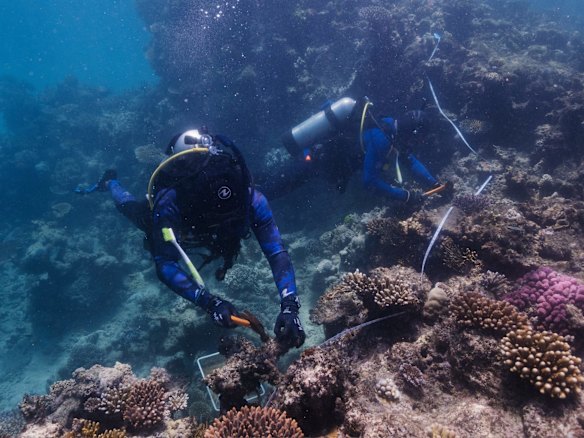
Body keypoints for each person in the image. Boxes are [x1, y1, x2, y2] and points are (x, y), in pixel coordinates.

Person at [77, 129, 305, 349]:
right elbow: (165, 263)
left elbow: (276, 252)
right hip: (181, 227)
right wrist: (210, 302)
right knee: (133, 209)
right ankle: (109, 183)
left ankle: (110, 184)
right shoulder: (172, 201)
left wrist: (289, 307)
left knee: (132, 209)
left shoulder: (247, 195)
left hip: (203, 228)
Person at [257, 98, 448, 204]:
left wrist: (434, 184)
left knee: (268, 182)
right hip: (312, 162)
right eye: (420, 138)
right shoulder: (381, 139)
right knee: (266, 193)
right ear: (412, 132)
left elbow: (411, 160)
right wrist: (405, 196)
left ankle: (245, 182)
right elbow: (369, 182)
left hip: (318, 163)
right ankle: (235, 195)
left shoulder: (390, 129)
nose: (420, 143)